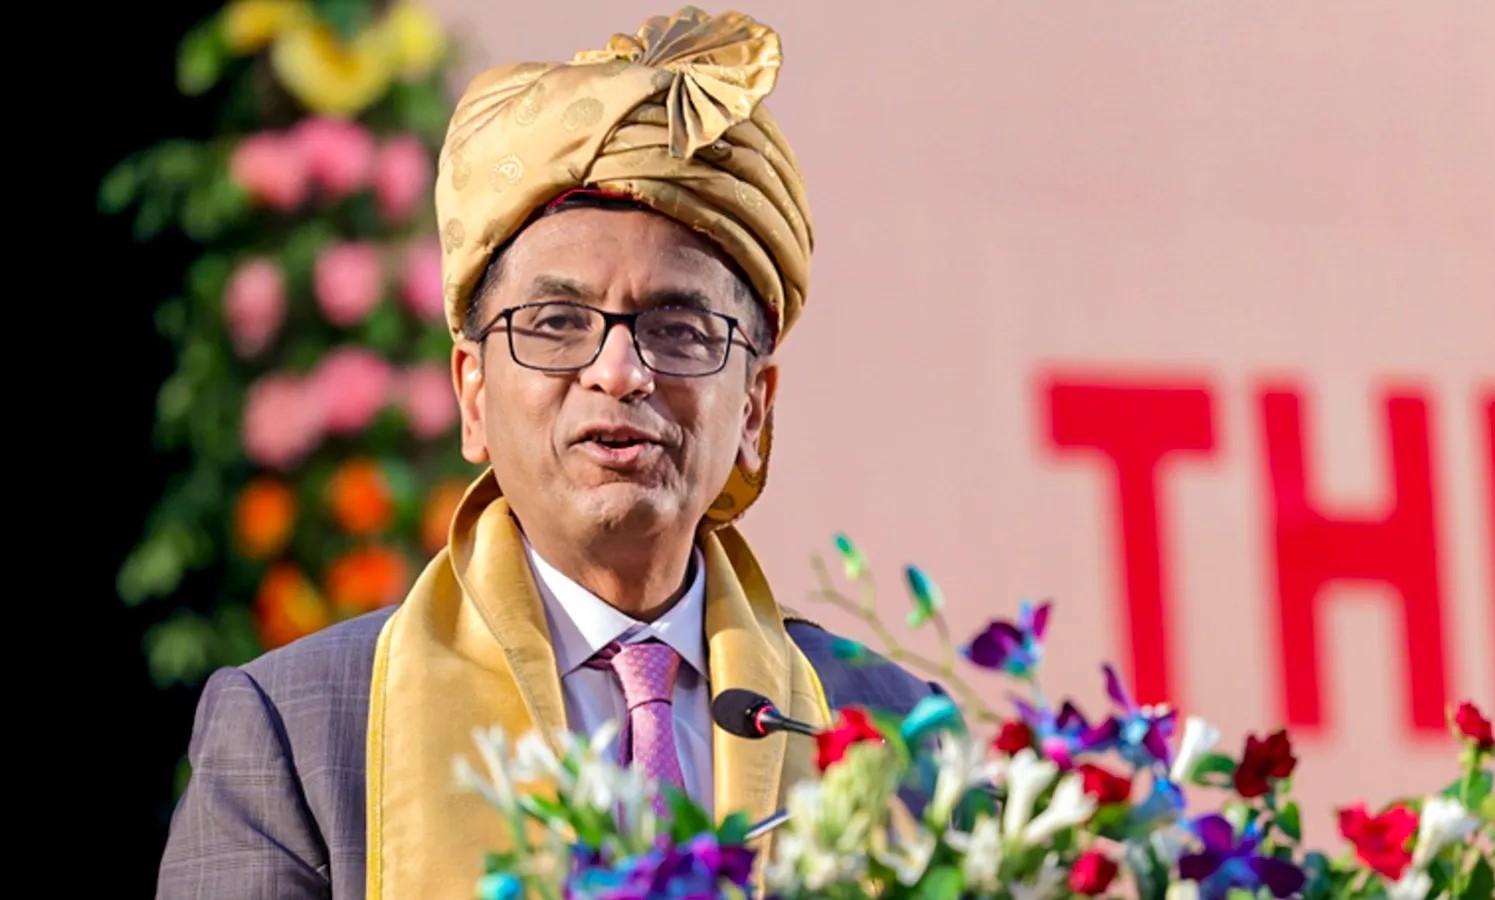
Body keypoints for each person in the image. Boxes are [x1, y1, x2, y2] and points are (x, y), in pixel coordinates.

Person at [157, 8, 937, 897]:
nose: (620, 372)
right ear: (473, 394)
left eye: (678, 330)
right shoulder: (298, 732)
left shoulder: (887, 733)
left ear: (755, 407)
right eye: (557, 323)